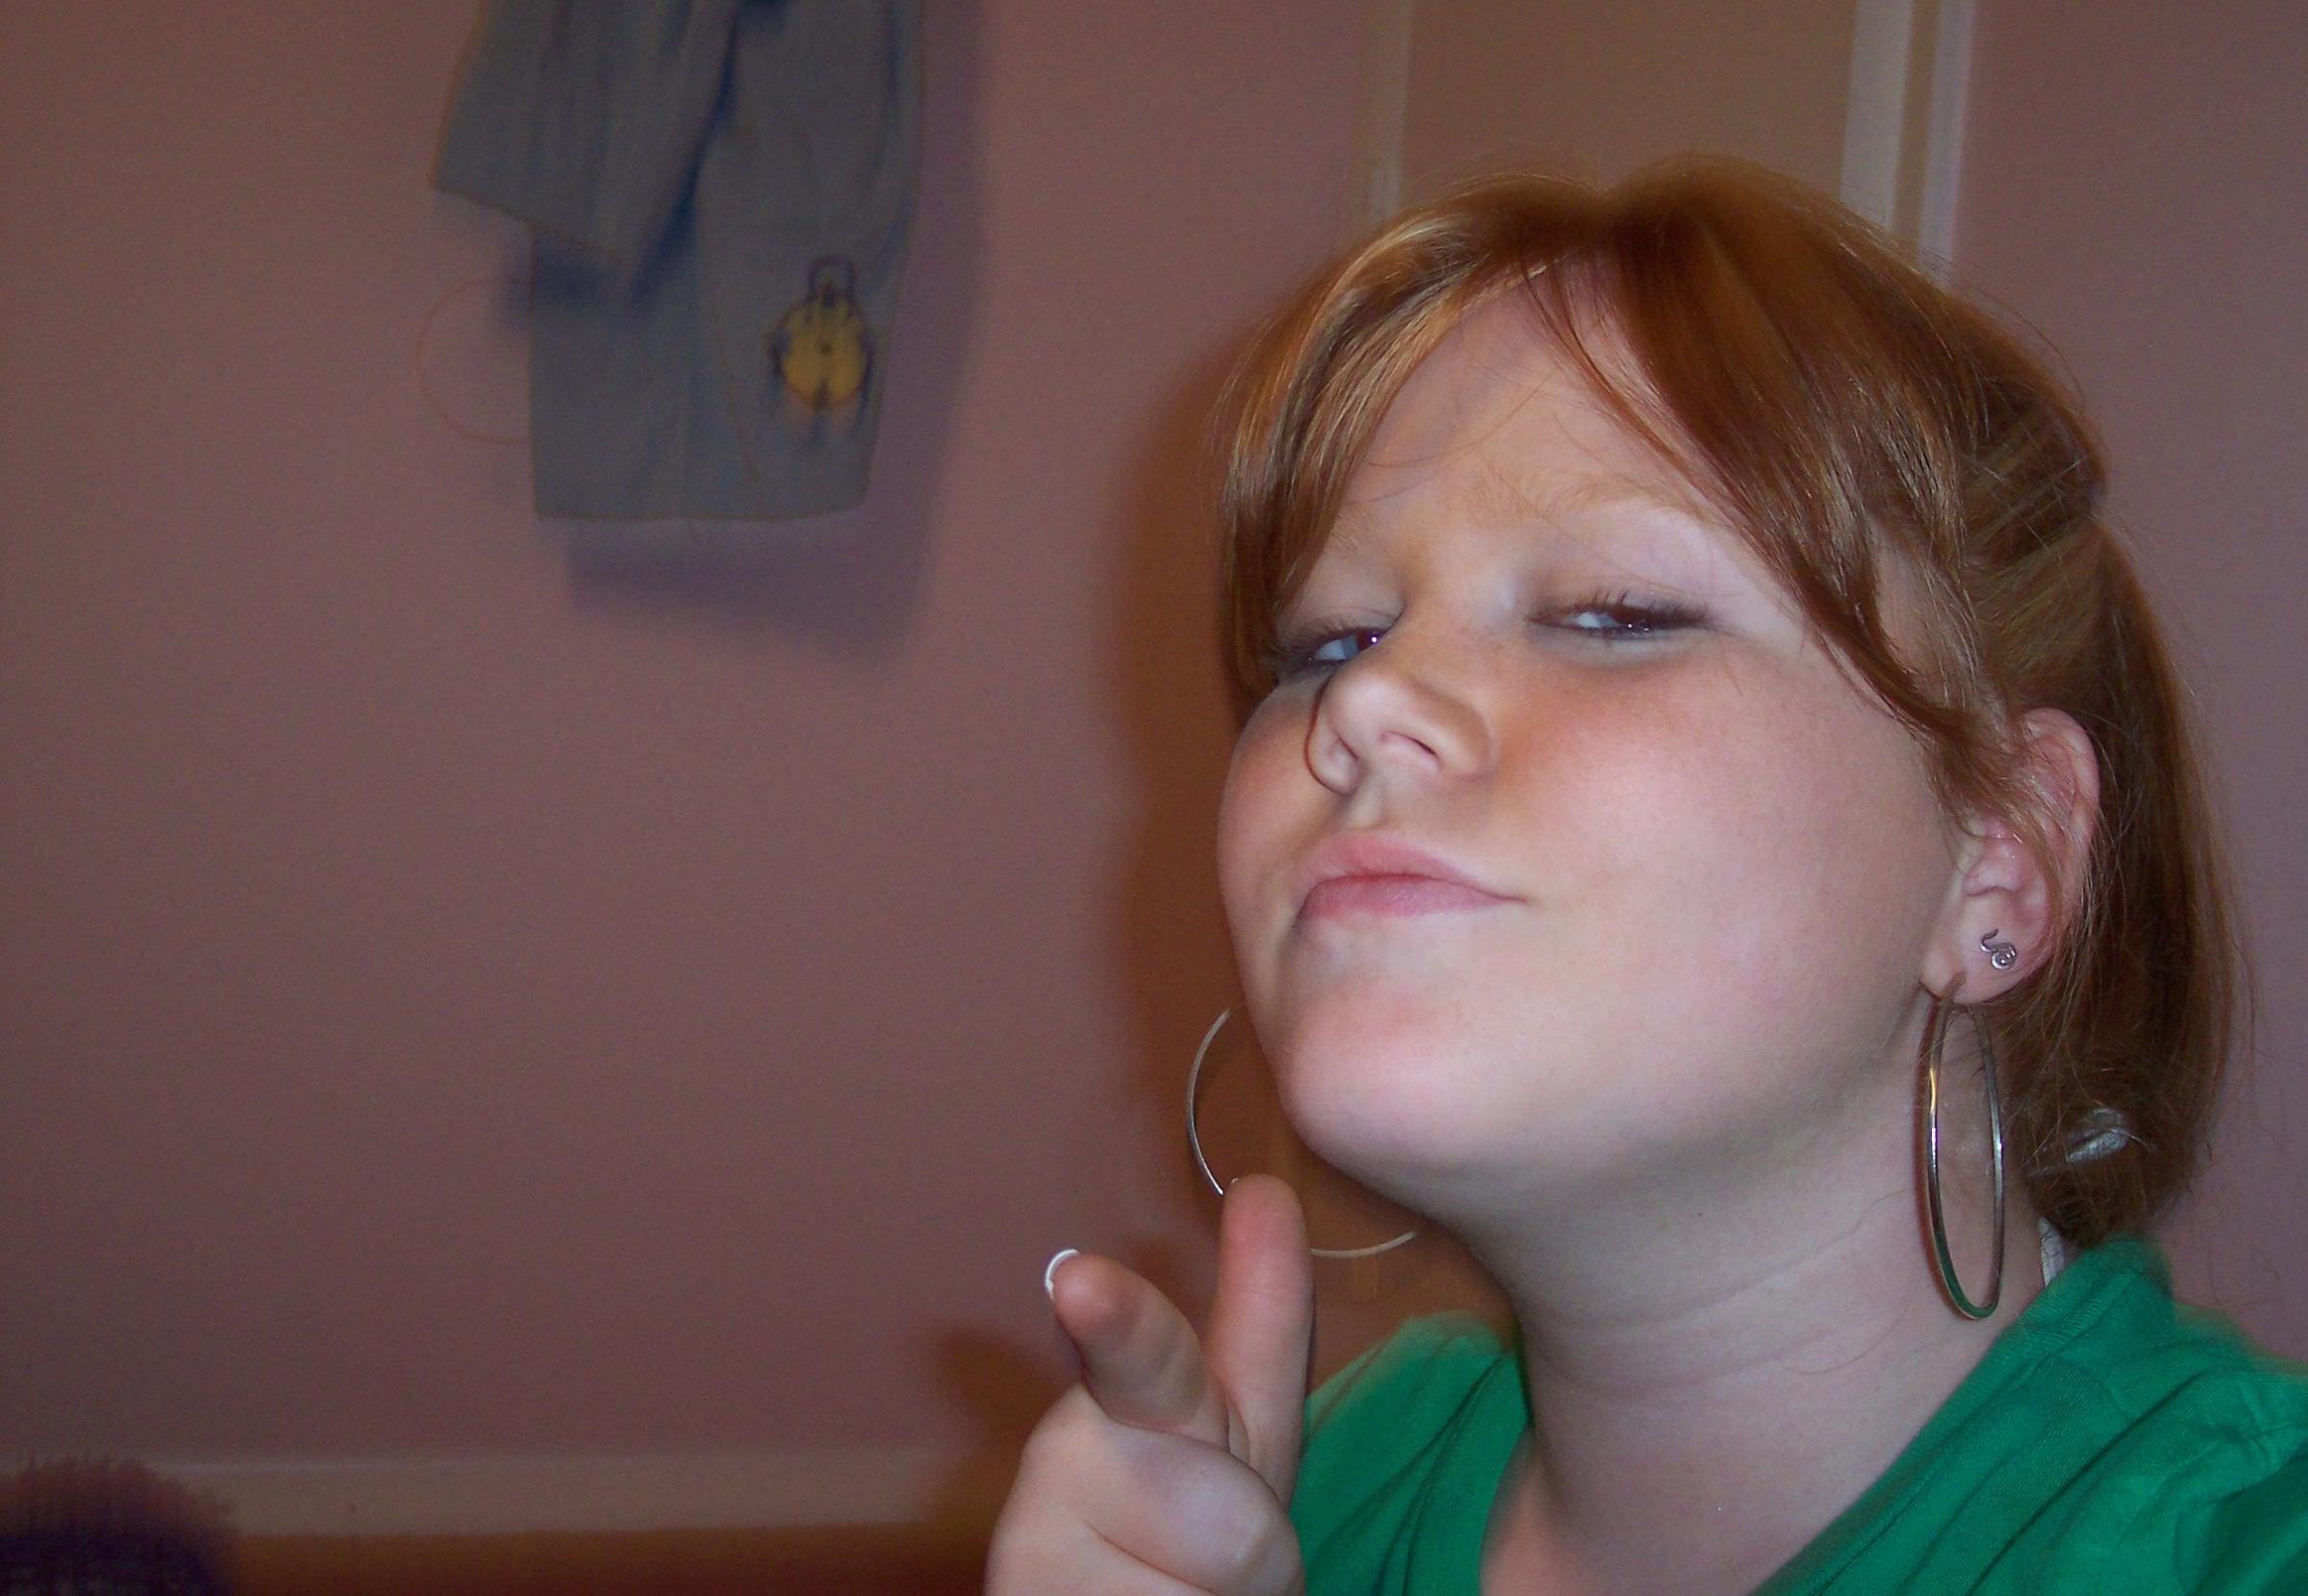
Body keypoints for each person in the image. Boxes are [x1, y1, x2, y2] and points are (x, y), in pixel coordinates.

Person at [984, 159, 2308, 1594]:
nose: (1364, 706)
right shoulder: (1292, 1497)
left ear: (2003, 851)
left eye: (1614, 614)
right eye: (1328, 644)